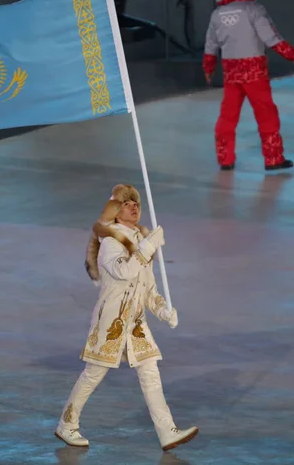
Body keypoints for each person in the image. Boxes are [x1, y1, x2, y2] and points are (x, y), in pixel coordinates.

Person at [54, 184, 199, 451]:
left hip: (135, 324)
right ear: (115, 212)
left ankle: (167, 431)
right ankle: (66, 424)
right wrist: (147, 247)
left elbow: (148, 289)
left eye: (136, 203)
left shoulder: (141, 241)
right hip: (111, 322)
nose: (133, 207)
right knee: (93, 374)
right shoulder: (109, 242)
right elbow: (125, 271)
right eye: (126, 203)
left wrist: (163, 310)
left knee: (150, 372)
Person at [203, 0, 294, 171]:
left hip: (231, 72)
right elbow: (272, 39)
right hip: (255, 72)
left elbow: (210, 46)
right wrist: (291, 54)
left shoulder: (217, 15)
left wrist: (208, 68)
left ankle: (225, 160)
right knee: (266, 113)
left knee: (228, 116)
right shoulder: (253, 9)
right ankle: (273, 159)